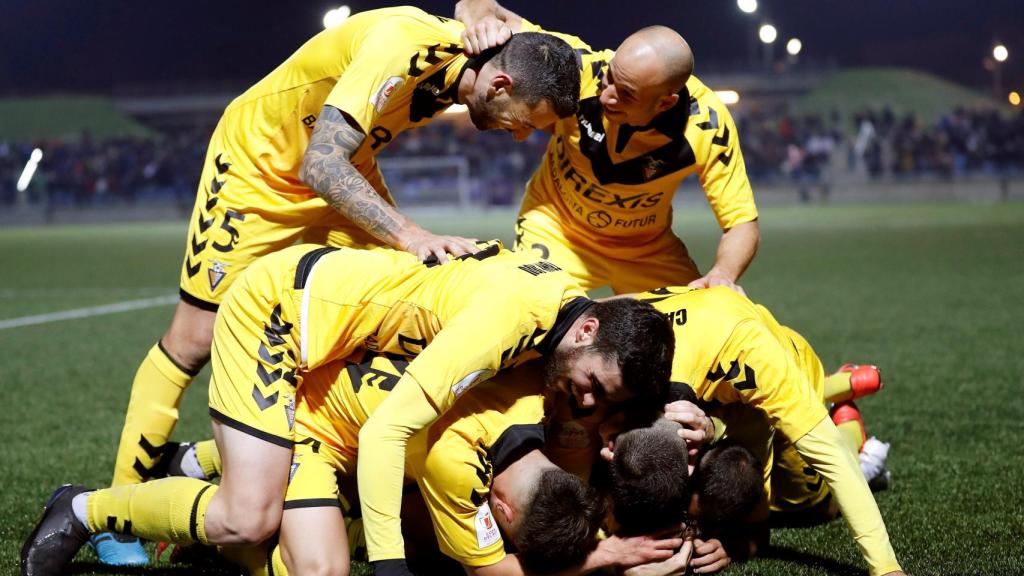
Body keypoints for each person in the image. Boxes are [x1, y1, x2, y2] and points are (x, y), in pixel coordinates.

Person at [100, 7, 582, 564]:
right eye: (525, 119)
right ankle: (118, 513)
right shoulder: (403, 48)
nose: (522, 135)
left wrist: (482, 7)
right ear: (499, 83)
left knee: (389, 311)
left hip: (350, 163)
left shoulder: (505, 55)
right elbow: (319, 165)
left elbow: (525, 31)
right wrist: (407, 233)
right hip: (263, 166)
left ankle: (266, 464)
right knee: (193, 339)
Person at [21, 243, 675, 576]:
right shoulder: (508, 324)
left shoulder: (564, 313)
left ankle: (201, 461)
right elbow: (391, 433)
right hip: (279, 321)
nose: (586, 403)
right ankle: (83, 509)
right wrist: (389, 568)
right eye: (592, 386)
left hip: (332, 370)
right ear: (587, 331)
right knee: (246, 520)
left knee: (319, 564)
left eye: (605, 403)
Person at [455, 1, 760, 295]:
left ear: (665, 103)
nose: (606, 96)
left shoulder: (708, 127)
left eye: (626, 94)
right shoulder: (578, 66)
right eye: (610, 76)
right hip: (556, 228)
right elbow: (480, 4)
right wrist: (481, 24)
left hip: (645, 251)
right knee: (531, 312)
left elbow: (741, 223)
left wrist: (722, 274)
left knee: (697, 324)